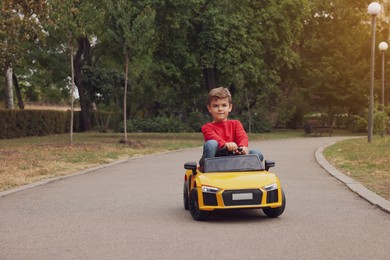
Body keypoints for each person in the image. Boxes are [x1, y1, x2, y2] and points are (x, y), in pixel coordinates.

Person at [199, 87, 263, 169]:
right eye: (215, 106)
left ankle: (247, 173)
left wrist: (243, 146)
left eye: (224, 105)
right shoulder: (207, 127)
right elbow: (214, 138)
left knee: (256, 153)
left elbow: (242, 136)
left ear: (230, 107)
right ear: (209, 108)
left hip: (235, 161)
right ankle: (206, 169)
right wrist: (226, 145)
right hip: (216, 161)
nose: (220, 109)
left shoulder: (236, 123)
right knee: (211, 144)